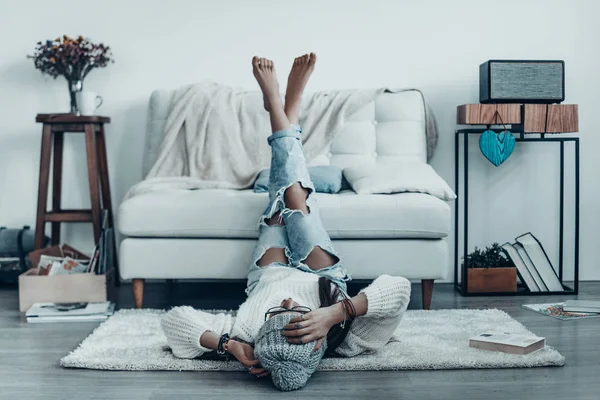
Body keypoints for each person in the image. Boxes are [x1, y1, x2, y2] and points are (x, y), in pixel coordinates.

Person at [161, 53, 412, 391]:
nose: (289, 303)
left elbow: (173, 320)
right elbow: (399, 289)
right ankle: (283, 109)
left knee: (279, 198)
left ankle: (283, 111)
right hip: (322, 272)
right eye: (301, 316)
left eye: (276, 315)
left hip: (270, 271)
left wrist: (229, 345)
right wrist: (335, 313)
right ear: (318, 341)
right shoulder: (348, 342)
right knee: (295, 196)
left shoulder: (246, 334)